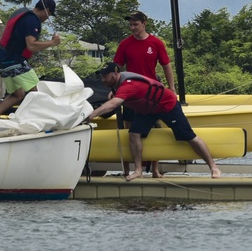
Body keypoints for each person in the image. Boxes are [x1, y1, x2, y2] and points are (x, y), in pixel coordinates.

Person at [82, 62, 221, 181]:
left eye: (105, 76)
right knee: (134, 134)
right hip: (147, 110)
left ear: (115, 73)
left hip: (167, 105)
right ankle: (138, 171)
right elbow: (115, 96)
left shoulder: (128, 85)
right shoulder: (118, 82)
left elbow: (113, 104)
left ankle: (214, 167)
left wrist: (92, 115)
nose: (103, 80)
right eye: (101, 77)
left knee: (188, 136)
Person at [113, 10, 174, 178]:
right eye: (130, 25)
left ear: (144, 23)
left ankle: (155, 169)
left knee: (155, 129)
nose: (132, 28)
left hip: (151, 94)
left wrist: (172, 89)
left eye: (136, 24)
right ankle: (129, 170)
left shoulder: (156, 43)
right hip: (131, 93)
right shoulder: (125, 44)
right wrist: (114, 90)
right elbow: (116, 68)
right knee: (129, 130)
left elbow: (166, 66)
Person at [0, 0, 62, 118]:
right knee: (37, 91)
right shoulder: (32, 20)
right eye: (49, 15)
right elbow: (31, 45)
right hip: (14, 61)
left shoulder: (24, 14)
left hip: (2, 61)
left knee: (18, 94)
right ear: (47, 10)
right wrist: (52, 43)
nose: (47, 18)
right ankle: (41, 118)